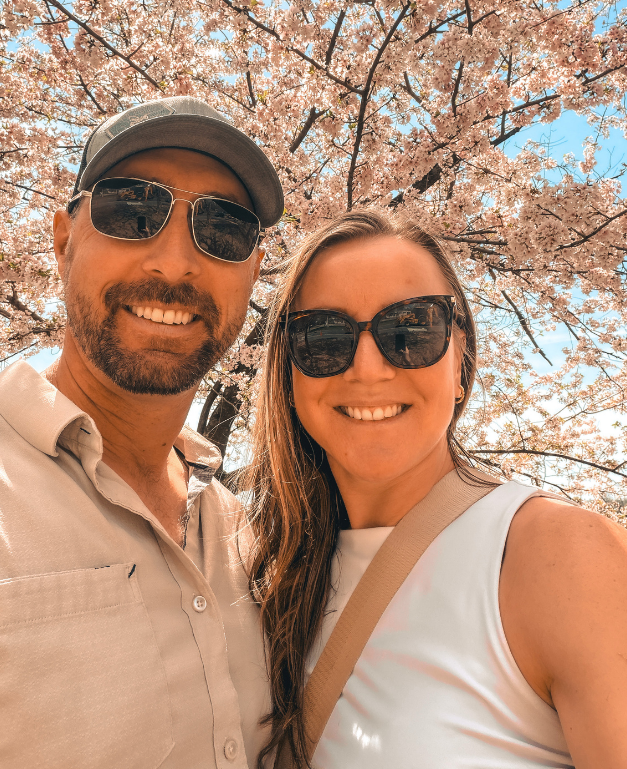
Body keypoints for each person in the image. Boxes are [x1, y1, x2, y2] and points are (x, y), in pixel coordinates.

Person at [0, 96, 283, 769]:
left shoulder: (244, 538)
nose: (174, 265)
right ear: (65, 241)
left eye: (224, 230)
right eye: (132, 210)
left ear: (251, 271)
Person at [245, 210, 627, 769]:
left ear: (460, 353)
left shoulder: (559, 555)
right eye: (325, 336)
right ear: (290, 367)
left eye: (411, 329)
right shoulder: (260, 572)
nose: (368, 369)